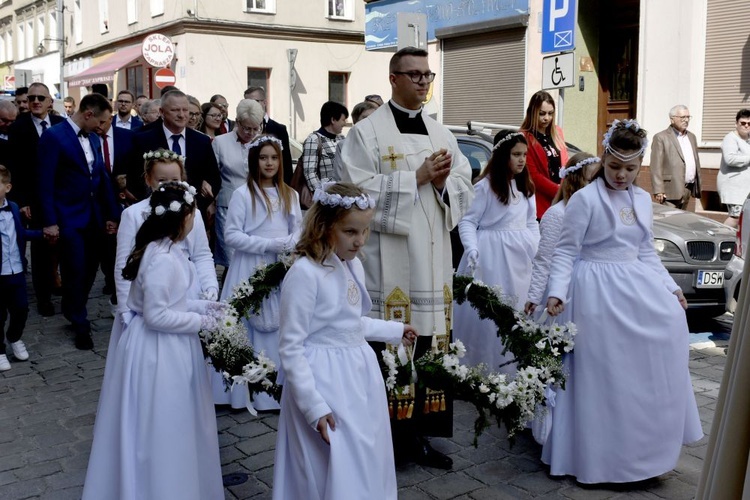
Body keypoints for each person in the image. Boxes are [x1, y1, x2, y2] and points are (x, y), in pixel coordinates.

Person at [335, 46, 474, 469]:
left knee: (429, 348)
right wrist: (414, 178)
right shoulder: (366, 132)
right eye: (414, 74)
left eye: (427, 75)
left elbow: (466, 181)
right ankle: (386, 440)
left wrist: (447, 183)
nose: (422, 82)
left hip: (432, 261)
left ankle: (421, 440)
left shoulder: (441, 132)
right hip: (389, 259)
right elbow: (352, 189)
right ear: (393, 78)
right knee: (390, 349)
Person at [542, 119, 703, 484]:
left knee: (648, 362)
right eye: (615, 167)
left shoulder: (643, 199)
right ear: (604, 159)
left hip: (635, 288)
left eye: (630, 169)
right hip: (595, 293)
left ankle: (643, 456)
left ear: (640, 166)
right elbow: (565, 252)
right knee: (603, 377)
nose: (621, 175)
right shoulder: (584, 200)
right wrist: (556, 292)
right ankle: (600, 460)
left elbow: (646, 251)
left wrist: (671, 289)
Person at [272, 182, 417, 500]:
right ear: (324, 226)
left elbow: (350, 323)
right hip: (325, 379)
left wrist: (394, 330)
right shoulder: (305, 274)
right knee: (333, 459)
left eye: (364, 231)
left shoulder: (352, 265)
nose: (360, 240)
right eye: (351, 231)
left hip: (358, 374)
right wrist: (313, 406)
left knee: (364, 452)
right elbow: (291, 346)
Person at [82, 182, 224, 500]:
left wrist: (207, 307)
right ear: (181, 219)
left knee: (177, 424)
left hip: (172, 345)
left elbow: (176, 300)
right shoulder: (161, 259)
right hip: (159, 352)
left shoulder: (169, 251)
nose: (194, 222)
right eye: (192, 216)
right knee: (162, 424)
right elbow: (157, 316)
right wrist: (203, 322)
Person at [219, 135, 301, 410]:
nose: (269, 163)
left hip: (280, 267)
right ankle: (245, 391)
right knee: (248, 323)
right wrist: (267, 244)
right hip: (250, 266)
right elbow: (231, 235)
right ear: (255, 161)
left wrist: (291, 243)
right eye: (264, 158)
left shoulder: (290, 194)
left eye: (274, 158)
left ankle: (277, 390)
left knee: (280, 321)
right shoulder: (243, 195)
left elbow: (298, 228)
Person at [38, 93, 121, 349]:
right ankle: (80, 322)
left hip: (94, 216)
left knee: (91, 269)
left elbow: (102, 178)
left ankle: (73, 307)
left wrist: (111, 215)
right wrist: (50, 221)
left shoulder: (94, 137)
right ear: (88, 114)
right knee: (74, 268)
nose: (102, 127)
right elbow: (45, 182)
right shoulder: (54, 136)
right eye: (101, 121)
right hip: (68, 217)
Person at [453, 131, 539, 371]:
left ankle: (517, 366)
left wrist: (536, 246)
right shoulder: (485, 186)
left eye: (524, 155)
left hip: (520, 255)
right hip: (492, 254)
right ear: (503, 156)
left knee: (519, 305)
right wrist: (471, 246)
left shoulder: (525, 186)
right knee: (491, 311)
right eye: (516, 155)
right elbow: (468, 220)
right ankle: (485, 366)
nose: (522, 160)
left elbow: (531, 221)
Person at [8, 83, 65, 317]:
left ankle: (61, 284)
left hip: (62, 196)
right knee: (41, 249)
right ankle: (43, 298)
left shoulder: (62, 125)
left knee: (64, 245)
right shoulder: (18, 128)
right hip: (34, 199)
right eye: (31, 98)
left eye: (41, 97)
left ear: (50, 101)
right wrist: (21, 201)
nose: (35, 102)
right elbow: (15, 168)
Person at [525, 152, 600, 316]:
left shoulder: (596, 212)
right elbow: (544, 259)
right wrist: (535, 296)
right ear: (576, 182)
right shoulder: (557, 214)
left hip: (591, 286)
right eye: (590, 181)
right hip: (565, 288)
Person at [126, 90, 220, 217]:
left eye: (185, 110)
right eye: (175, 110)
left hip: (192, 213)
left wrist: (197, 204)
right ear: (161, 112)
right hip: (154, 214)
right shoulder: (143, 140)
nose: (182, 115)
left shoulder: (201, 141)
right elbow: (134, 178)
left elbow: (214, 178)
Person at [211, 99, 264, 269]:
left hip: (258, 206)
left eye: (255, 128)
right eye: (246, 128)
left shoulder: (262, 142)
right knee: (232, 258)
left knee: (253, 257)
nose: (251, 133)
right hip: (228, 206)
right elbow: (213, 176)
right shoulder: (220, 142)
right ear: (238, 122)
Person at [0, 165, 41, 371]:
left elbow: (20, 234)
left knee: (21, 308)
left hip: (16, 269)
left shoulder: (14, 208)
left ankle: (14, 337)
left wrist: (42, 234)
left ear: (7, 187)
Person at [520, 90, 569, 218]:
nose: (547, 118)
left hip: (561, 202)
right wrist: (559, 191)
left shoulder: (557, 132)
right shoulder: (525, 137)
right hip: (539, 203)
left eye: (550, 113)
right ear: (532, 112)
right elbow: (533, 176)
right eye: (542, 113)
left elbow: (566, 164)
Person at [650, 104, 702, 211]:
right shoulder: (661, 137)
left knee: (680, 222)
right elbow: (656, 165)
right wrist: (658, 189)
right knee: (668, 220)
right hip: (670, 189)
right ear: (672, 119)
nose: (686, 120)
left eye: (688, 117)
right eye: (683, 117)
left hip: (688, 188)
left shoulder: (692, 137)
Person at [245, 86, 293, 184]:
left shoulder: (279, 129)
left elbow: (286, 164)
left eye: (254, 102)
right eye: (246, 103)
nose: (250, 106)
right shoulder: (241, 129)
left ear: (265, 102)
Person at [302, 101, 348, 191]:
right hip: (325, 196)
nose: (345, 124)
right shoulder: (314, 140)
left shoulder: (342, 139)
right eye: (343, 120)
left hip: (343, 193)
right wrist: (321, 195)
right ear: (333, 120)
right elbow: (310, 173)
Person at [716, 109, 750, 228]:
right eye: (743, 123)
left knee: (743, 219)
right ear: (736, 123)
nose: (746, 126)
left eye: (749, 123)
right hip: (734, 188)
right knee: (735, 218)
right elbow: (730, 159)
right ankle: (720, 239)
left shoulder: (748, 140)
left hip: (745, 189)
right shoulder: (730, 138)